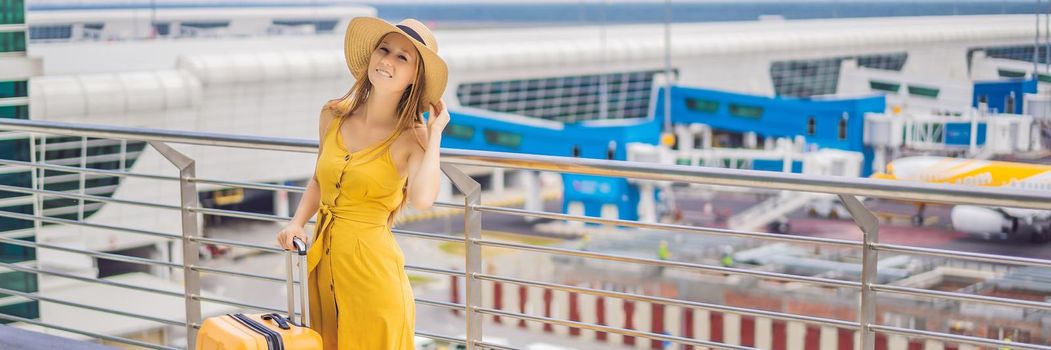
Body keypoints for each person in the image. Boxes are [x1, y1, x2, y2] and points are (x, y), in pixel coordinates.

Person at [276, 17, 449, 350]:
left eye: (403, 57)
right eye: (383, 50)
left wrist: (436, 132)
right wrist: (297, 223)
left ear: (415, 77)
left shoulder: (413, 138)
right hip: (321, 266)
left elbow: (424, 199)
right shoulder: (332, 115)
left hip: (374, 278)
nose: (387, 61)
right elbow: (318, 179)